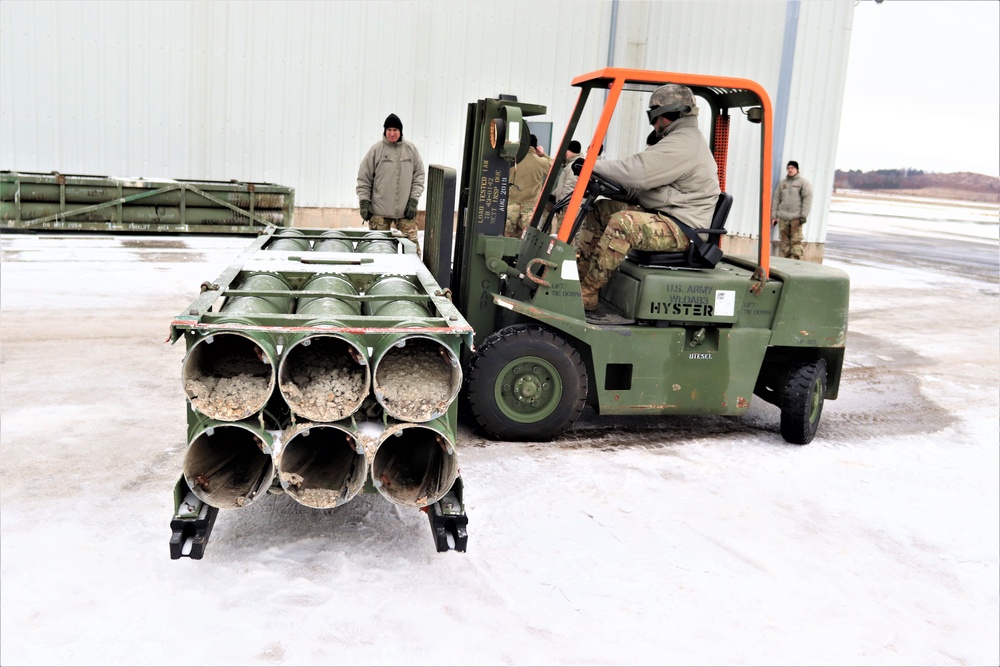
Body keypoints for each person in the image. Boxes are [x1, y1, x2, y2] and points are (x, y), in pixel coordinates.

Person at [576, 84, 721, 311]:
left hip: (683, 228)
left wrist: (591, 165)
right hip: (667, 216)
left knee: (623, 223)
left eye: (654, 116)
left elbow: (638, 172)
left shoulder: (685, 142)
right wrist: (609, 187)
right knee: (602, 209)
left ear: (670, 114)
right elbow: (648, 188)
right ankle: (578, 279)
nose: (653, 124)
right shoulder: (678, 139)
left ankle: (587, 294)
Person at [356, 113, 426, 255]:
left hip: (405, 211)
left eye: (395, 130)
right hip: (379, 212)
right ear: (385, 131)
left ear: (400, 131)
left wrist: (413, 201)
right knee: (379, 252)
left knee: (413, 251)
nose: (392, 133)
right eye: (389, 130)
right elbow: (364, 178)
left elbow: (419, 177)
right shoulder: (376, 150)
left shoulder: (410, 150)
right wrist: (364, 202)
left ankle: (413, 274)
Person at [505, 134, 552, 238]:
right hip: (530, 207)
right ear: (535, 147)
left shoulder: (512, 159)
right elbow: (553, 166)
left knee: (508, 238)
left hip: (511, 204)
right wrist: (543, 154)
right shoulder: (541, 161)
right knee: (526, 240)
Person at [771, 160, 813, 260]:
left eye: (792, 168)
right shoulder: (782, 183)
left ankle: (796, 264)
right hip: (783, 217)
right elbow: (776, 199)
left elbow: (807, 199)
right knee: (784, 243)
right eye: (788, 168)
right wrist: (774, 216)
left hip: (796, 218)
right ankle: (787, 262)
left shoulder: (803, 183)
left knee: (795, 242)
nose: (790, 170)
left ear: (797, 170)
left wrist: (803, 216)